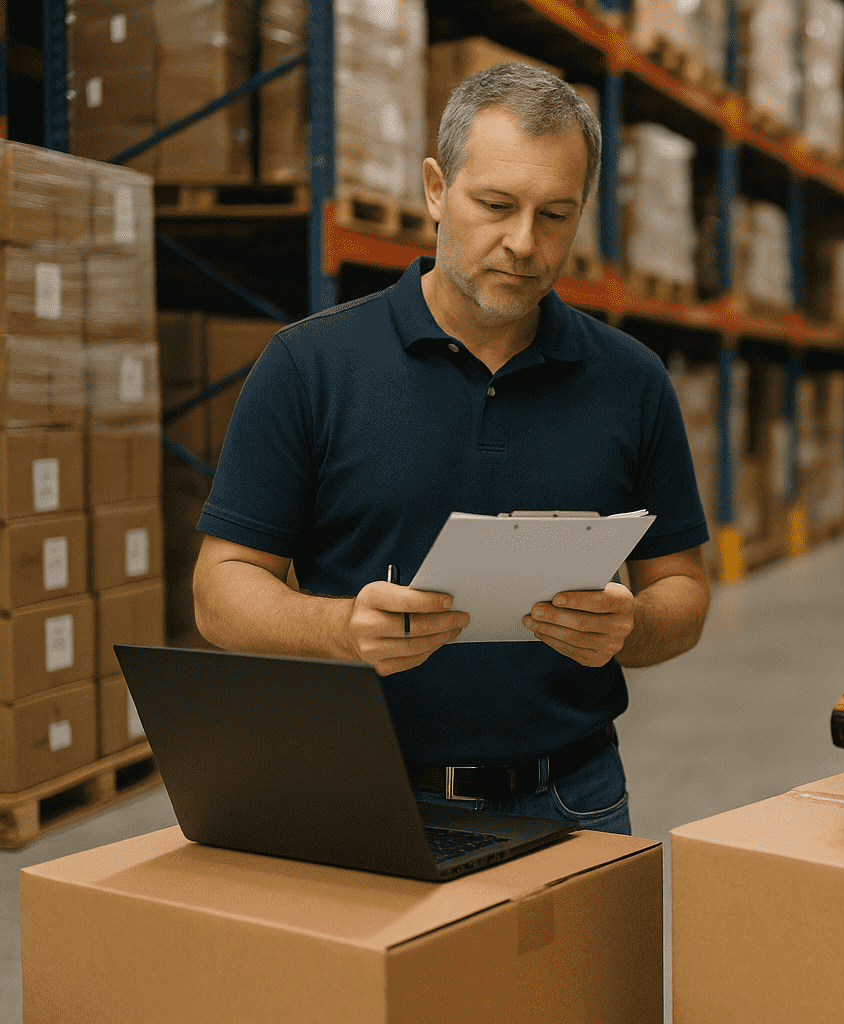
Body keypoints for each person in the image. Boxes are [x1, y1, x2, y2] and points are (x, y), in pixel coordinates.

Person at [192, 63, 712, 836]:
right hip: (364, 795)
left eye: (556, 216)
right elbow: (220, 589)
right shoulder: (311, 365)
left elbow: (684, 591)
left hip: (575, 795)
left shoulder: (631, 382)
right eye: (495, 205)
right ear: (436, 188)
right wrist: (341, 629)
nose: (524, 244)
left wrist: (627, 628)